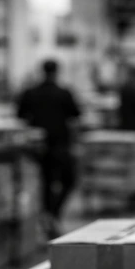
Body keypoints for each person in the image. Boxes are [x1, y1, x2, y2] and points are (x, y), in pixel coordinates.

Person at [17, 59, 81, 237]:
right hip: (60, 145)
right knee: (69, 180)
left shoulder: (30, 92)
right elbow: (76, 115)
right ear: (57, 72)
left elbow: (20, 115)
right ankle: (53, 213)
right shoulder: (64, 93)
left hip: (39, 147)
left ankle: (49, 215)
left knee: (46, 183)